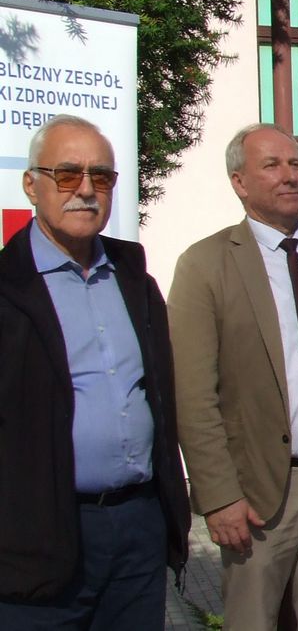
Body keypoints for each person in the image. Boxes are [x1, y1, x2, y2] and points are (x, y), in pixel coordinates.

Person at [168, 123, 298, 630]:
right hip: (261, 492)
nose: (289, 175)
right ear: (239, 182)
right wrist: (219, 497)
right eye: (272, 165)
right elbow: (192, 395)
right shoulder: (207, 264)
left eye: (294, 163)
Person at [0, 114, 190, 628]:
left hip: (137, 528)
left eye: (101, 177)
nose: (85, 190)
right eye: (67, 174)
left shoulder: (134, 279)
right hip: (38, 537)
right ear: (31, 185)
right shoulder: (9, 287)